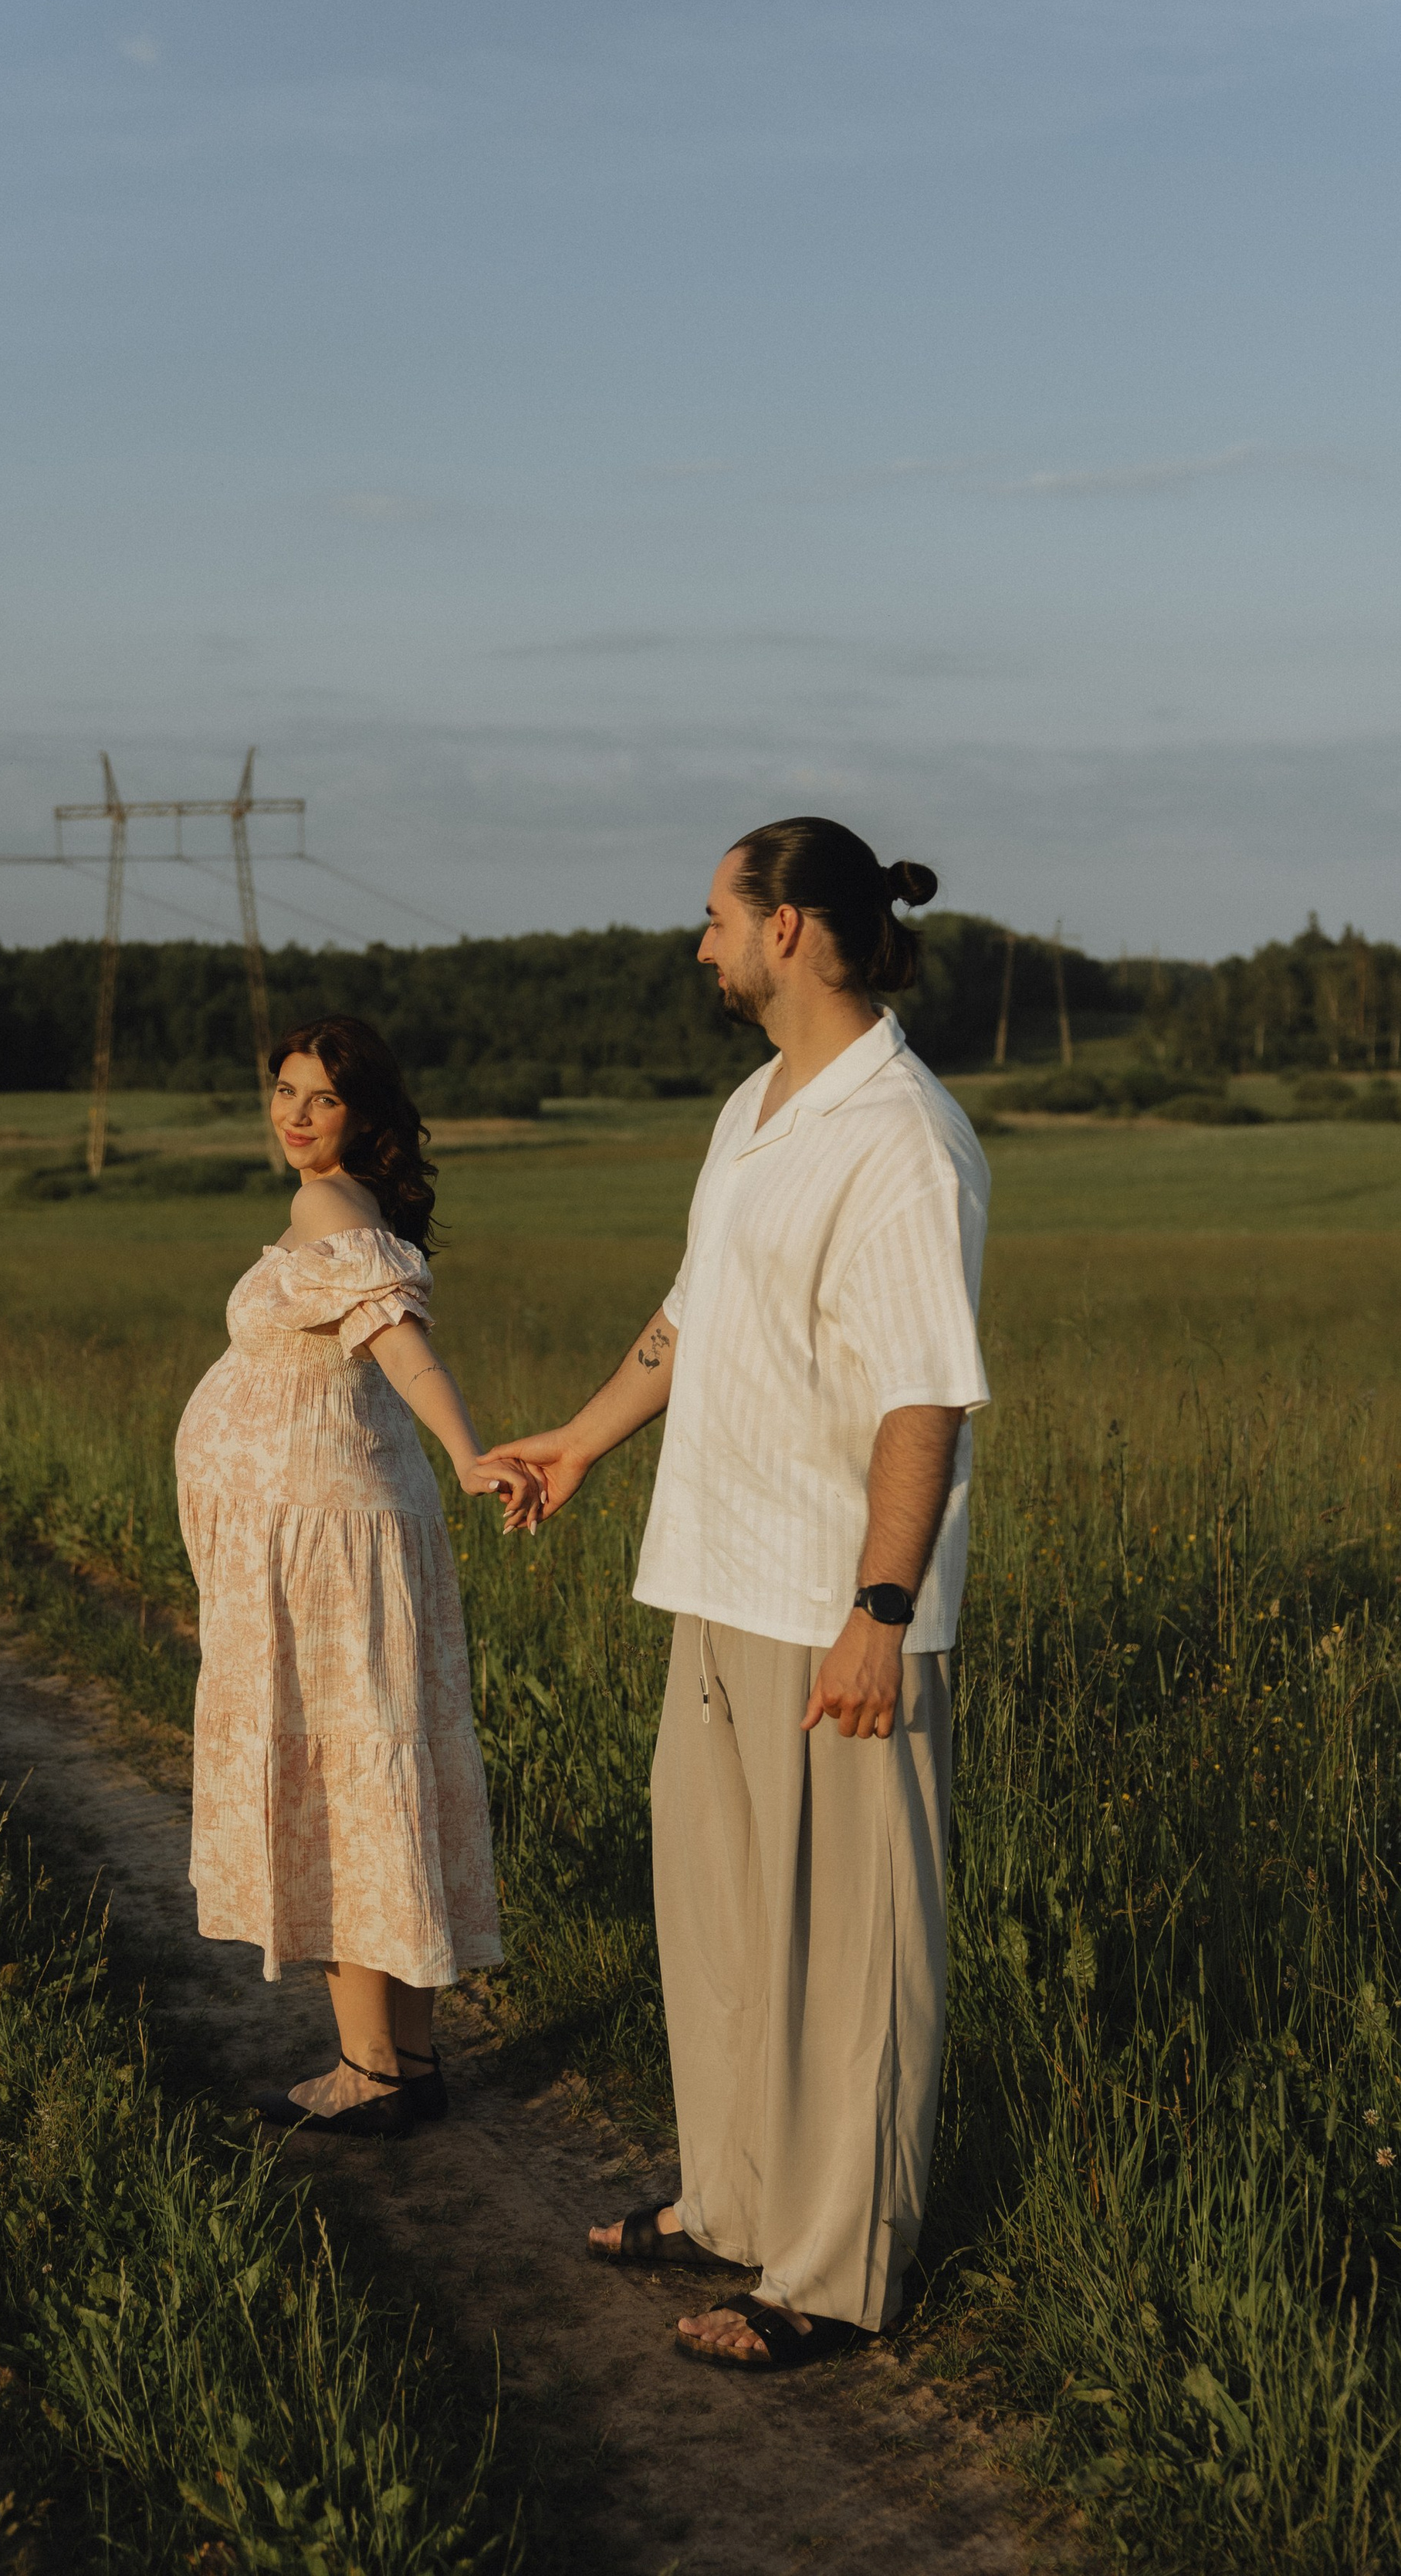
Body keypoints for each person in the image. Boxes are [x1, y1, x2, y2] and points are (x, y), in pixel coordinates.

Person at [489, 817, 991, 2367]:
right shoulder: (752, 1110)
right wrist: (579, 1443)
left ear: (787, 929)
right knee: (715, 1925)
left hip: (834, 1605)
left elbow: (923, 1398)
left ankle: (831, 2276)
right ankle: (730, 2203)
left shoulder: (900, 1137)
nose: (696, 943)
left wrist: (880, 1610)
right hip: (715, 1576)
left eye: (713, 916)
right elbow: (689, 1316)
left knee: (852, 1954)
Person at [175, 1012, 541, 2138]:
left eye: (321, 1098)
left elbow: (401, 1340)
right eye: (284, 1091)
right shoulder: (347, 1203)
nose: (294, 1115)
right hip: (331, 1530)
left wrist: (470, 1448)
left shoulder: (330, 1209)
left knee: (340, 1772)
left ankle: (368, 2070)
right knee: (382, 1758)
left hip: (323, 1544)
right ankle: (410, 2061)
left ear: (364, 1114)